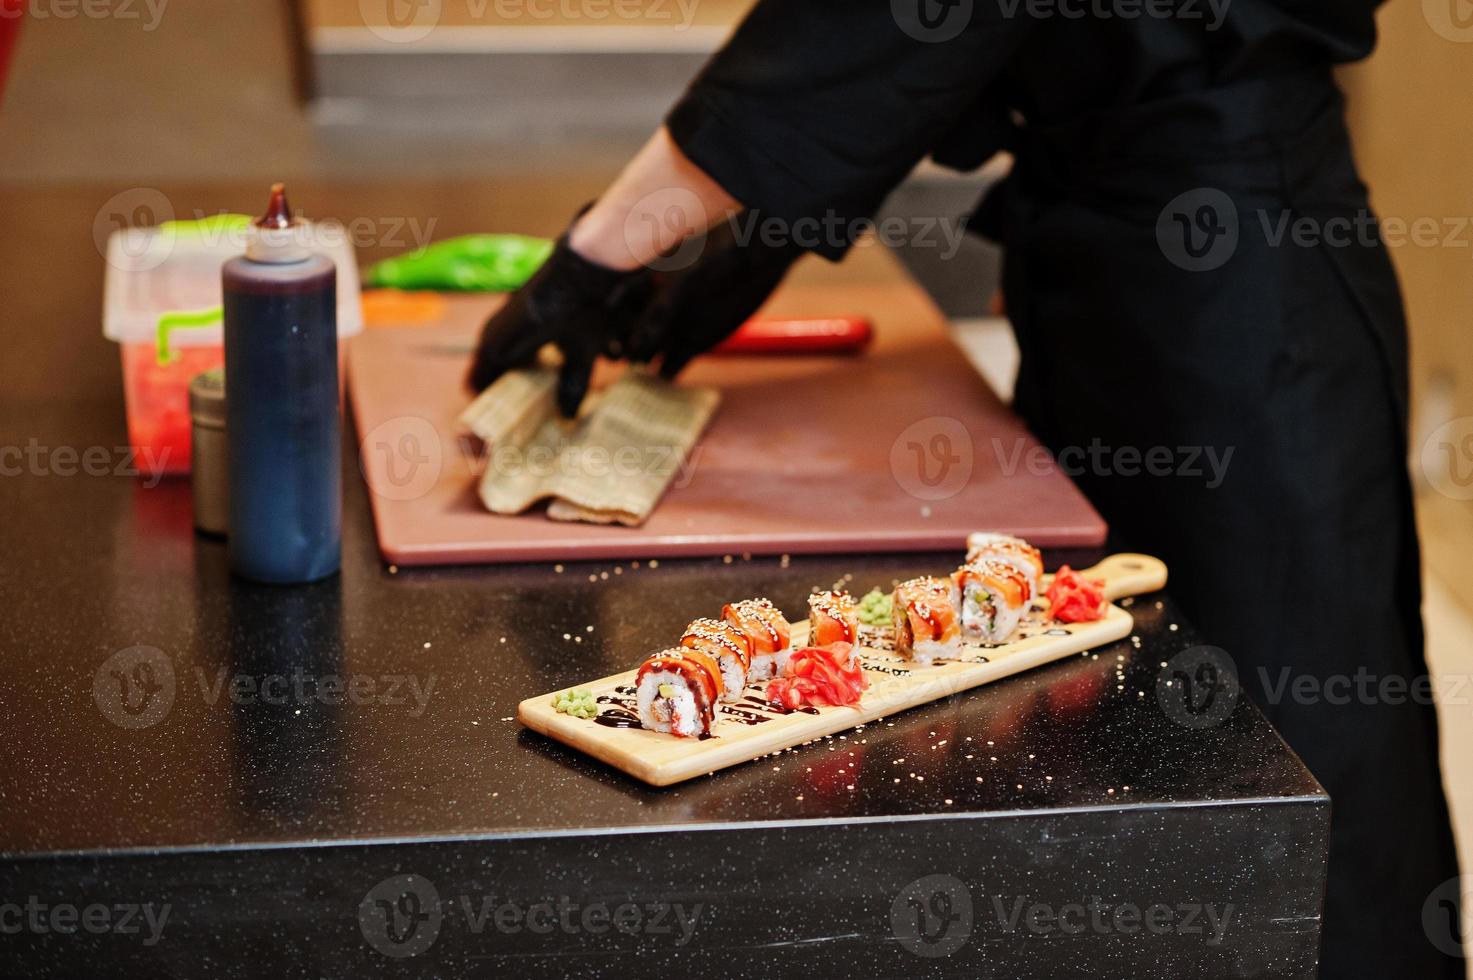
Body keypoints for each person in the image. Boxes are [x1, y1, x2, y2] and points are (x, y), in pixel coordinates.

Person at [469, 3, 1462, 974]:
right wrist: (745, 237)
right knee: (1108, 722)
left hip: (1249, 309)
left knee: (1295, 746)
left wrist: (604, 249)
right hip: (1114, 269)